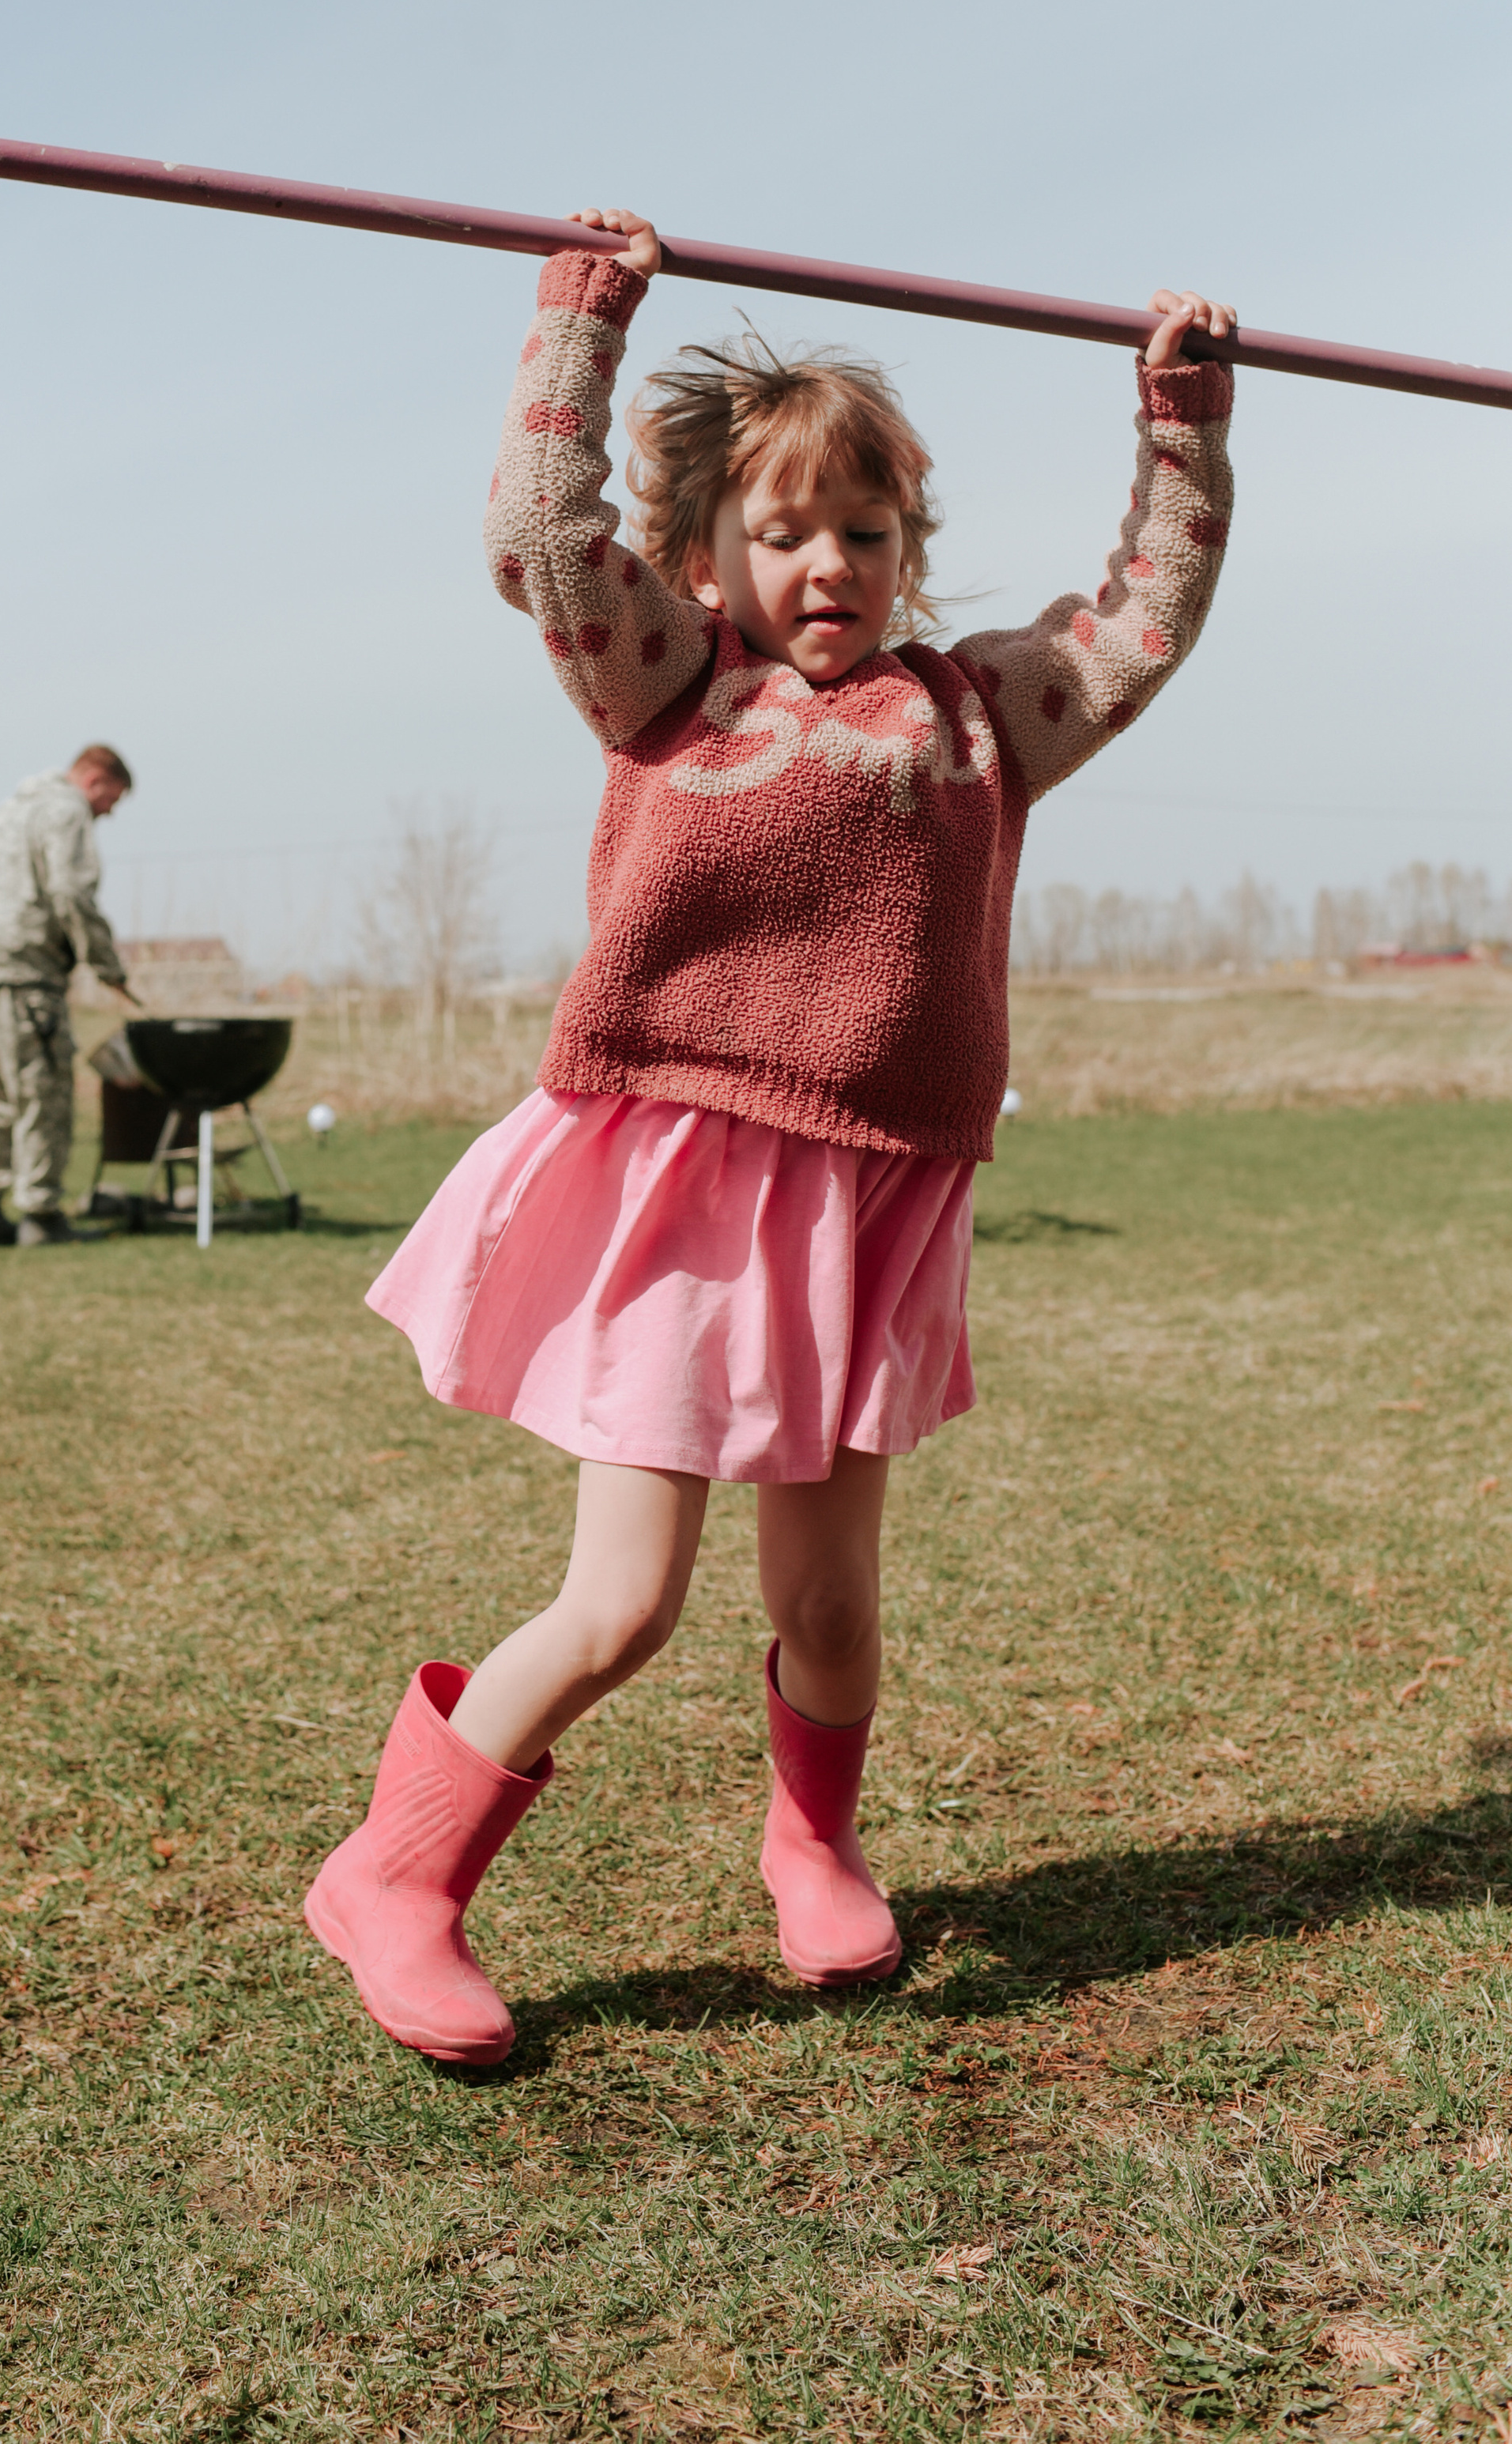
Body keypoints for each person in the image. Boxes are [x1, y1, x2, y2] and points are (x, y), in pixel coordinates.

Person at [305, 210, 1236, 2062]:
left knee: (829, 1599)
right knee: (624, 1595)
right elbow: (527, 534)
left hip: (876, 1189)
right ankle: (392, 1878)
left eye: (865, 532)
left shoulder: (977, 712)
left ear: (910, 546)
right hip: (689, 1178)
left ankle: (812, 1839)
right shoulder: (665, 678)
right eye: (787, 530)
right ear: (704, 550)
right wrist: (581, 317)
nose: (829, 565)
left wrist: (1182, 425)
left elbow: (1135, 624)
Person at [0, 745, 140, 1249]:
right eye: (110, 802)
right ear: (96, 780)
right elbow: (71, 893)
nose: (107, 814)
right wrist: (107, 966)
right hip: (23, 974)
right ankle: (41, 1212)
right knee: (43, 1092)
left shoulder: (13, 808)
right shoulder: (66, 810)